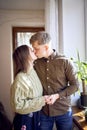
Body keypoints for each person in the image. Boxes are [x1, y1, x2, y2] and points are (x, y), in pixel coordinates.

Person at [30, 31, 79, 130]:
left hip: (64, 111)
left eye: (36, 49)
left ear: (46, 47)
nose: (34, 52)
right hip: (43, 111)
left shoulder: (65, 62)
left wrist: (57, 96)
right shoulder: (35, 63)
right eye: (33, 49)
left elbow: (75, 86)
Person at [10, 45, 47, 130]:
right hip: (25, 121)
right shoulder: (20, 78)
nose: (34, 51)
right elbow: (17, 106)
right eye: (31, 50)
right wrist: (42, 100)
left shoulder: (33, 72)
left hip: (36, 117)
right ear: (25, 56)